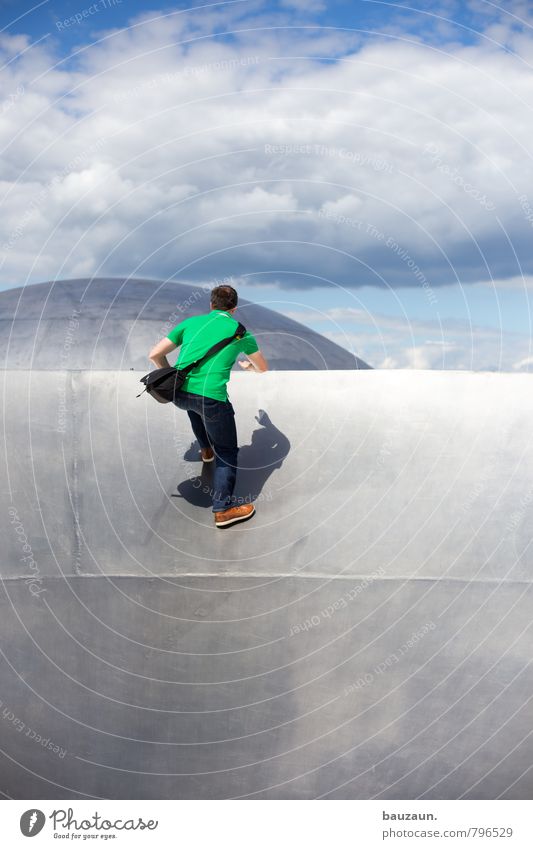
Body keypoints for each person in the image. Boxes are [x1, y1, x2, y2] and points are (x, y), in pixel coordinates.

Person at [148, 285, 269, 528]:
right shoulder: (240, 332)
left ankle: (205, 450)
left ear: (211, 305)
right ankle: (223, 510)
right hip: (212, 398)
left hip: (179, 393)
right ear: (234, 309)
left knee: (194, 407)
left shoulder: (190, 323)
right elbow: (263, 368)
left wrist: (169, 373)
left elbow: (154, 354)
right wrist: (248, 367)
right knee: (227, 452)